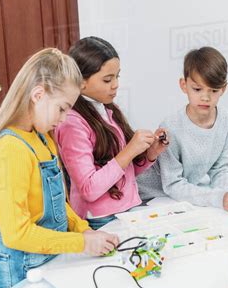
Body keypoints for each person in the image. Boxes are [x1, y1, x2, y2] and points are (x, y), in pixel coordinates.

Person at [0, 48, 119, 288]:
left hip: (47, 256)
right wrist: (82, 243)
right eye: (62, 108)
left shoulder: (42, 139)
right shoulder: (11, 151)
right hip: (21, 268)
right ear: (38, 95)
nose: (63, 119)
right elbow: (17, 235)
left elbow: (56, 204)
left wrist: (82, 228)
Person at [55, 37, 168, 230]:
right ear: (81, 82)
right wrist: (129, 151)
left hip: (127, 210)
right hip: (100, 220)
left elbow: (123, 171)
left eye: (117, 76)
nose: (115, 84)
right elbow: (89, 189)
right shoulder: (71, 123)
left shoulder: (108, 110)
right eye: (107, 79)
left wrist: (150, 154)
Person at [137, 47, 228, 213]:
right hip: (150, 200)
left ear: (223, 89)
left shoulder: (226, 121)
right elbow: (173, 184)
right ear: (184, 85)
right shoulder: (171, 126)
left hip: (180, 197)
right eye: (197, 89)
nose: (205, 97)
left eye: (213, 90)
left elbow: (219, 171)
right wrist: (219, 198)